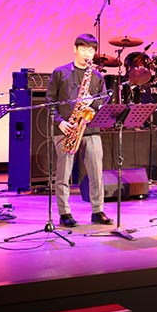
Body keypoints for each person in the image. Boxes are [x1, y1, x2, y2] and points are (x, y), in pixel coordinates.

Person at [46, 33, 112, 227]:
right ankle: (64, 213)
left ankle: (97, 210)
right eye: (83, 49)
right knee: (63, 174)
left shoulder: (97, 76)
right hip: (66, 129)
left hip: (91, 129)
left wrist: (94, 102)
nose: (87, 54)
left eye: (91, 50)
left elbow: (103, 101)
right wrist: (59, 122)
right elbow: (50, 102)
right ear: (75, 49)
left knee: (96, 172)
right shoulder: (60, 72)